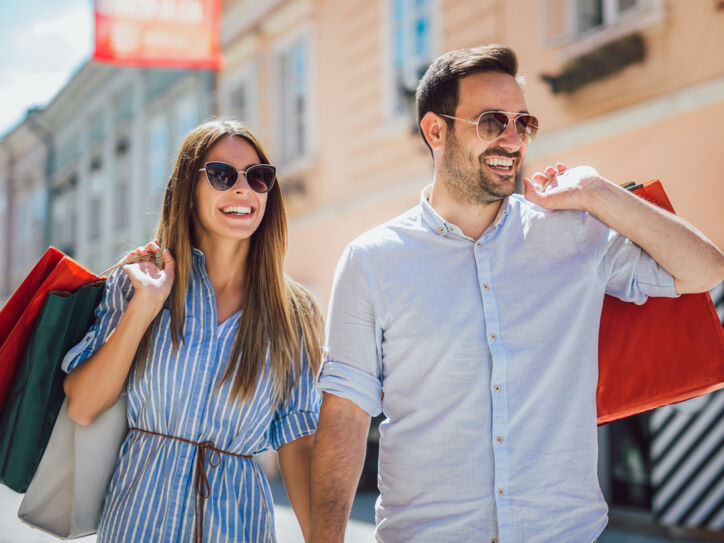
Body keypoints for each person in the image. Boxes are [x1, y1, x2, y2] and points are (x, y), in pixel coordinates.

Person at [309, 45, 724, 543]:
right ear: (435, 131)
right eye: (491, 122)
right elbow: (345, 417)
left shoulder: (575, 233)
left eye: (522, 123)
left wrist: (597, 192)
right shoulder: (371, 260)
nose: (512, 139)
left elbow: (705, 270)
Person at [62, 119, 323, 543]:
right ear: (188, 190)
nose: (243, 190)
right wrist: (143, 308)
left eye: (258, 178)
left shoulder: (294, 312)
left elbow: (299, 444)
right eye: (222, 175)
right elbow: (83, 407)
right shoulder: (139, 282)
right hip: (138, 525)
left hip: (240, 528)